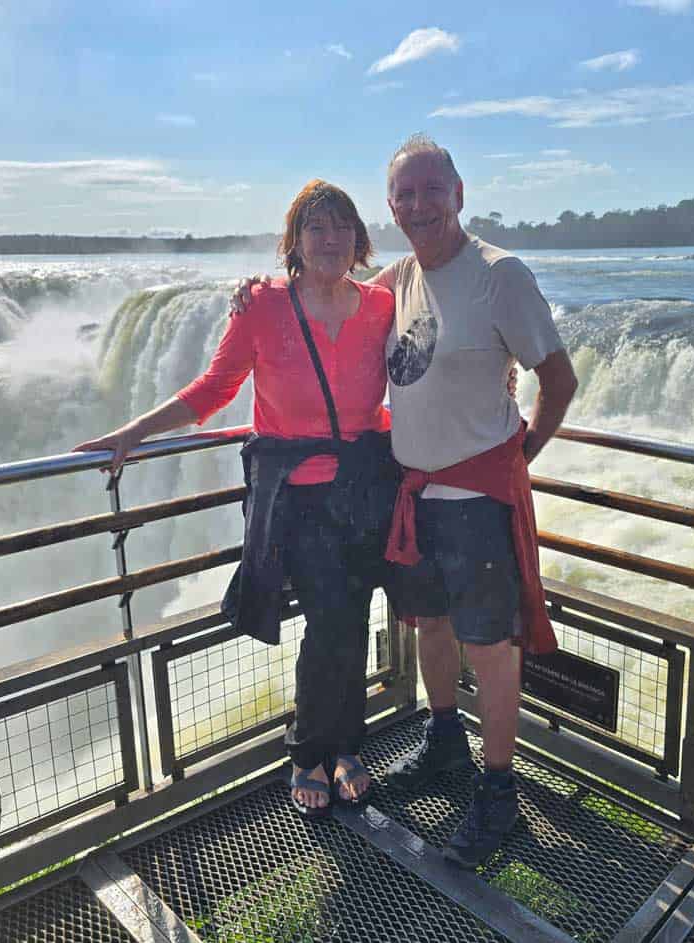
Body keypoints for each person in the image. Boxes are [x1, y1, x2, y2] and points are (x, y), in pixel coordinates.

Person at [74, 180, 398, 818]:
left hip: (364, 489)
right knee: (330, 621)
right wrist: (134, 432)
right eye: (316, 228)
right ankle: (311, 752)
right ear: (294, 242)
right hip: (296, 496)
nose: (330, 239)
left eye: (342, 227)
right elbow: (216, 386)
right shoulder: (263, 305)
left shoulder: (381, 304)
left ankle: (341, 747)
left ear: (359, 240)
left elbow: (422, 364)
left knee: (351, 616)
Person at [376, 134, 578, 868]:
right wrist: (262, 289)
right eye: (406, 194)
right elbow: (327, 294)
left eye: (433, 189)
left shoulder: (500, 275)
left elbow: (559, 380)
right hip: (416, 497)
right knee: (431, 624)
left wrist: (517, 459)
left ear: (459, 195)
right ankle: (444, 742)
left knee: (491, 646)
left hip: (475, 503)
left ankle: (499, 791)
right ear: (392, 207)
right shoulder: (397, 278)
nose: (420, 205)